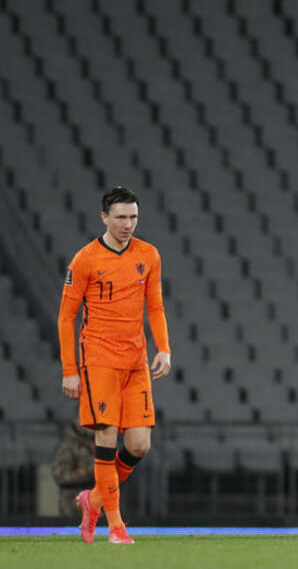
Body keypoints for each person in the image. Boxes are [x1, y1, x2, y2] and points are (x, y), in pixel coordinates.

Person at [58, 186, 172, 544]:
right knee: (106, 438)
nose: (128, 224)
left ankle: (92, 500)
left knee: (138, 445)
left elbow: (155, 305)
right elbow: (66, 317)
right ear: (104, 217)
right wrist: (70, 370)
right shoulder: (85, 260)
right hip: (99, 360)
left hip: (136, 361)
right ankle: (116, 527)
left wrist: (164, 348)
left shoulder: (148, 255)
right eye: (121, 217)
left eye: (133, 217)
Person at [51, 423, 95, 516]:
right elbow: (61, 475)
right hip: (73, 507)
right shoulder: (68, 446)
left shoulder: (98, 443)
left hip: (95, 506)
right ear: (77, 421)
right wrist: (87, 473)